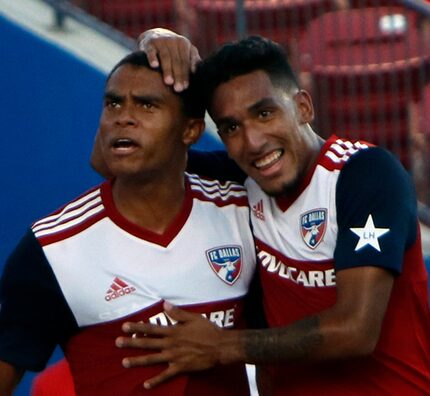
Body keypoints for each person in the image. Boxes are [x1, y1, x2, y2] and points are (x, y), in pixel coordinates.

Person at [107, 30, 430, 395]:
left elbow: (355, 331)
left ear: (303, 107)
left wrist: (222, 346)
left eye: (264, 113)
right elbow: (115, 163)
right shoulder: (241, 182)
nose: (253, 141)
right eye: (231, 127)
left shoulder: (365, 174)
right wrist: (156, 44)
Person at [0, 50, 257, 395]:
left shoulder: (242, 208)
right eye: (113, 104)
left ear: (192, 129)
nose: (123, 118)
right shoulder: (53, 248)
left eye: (147, 105)